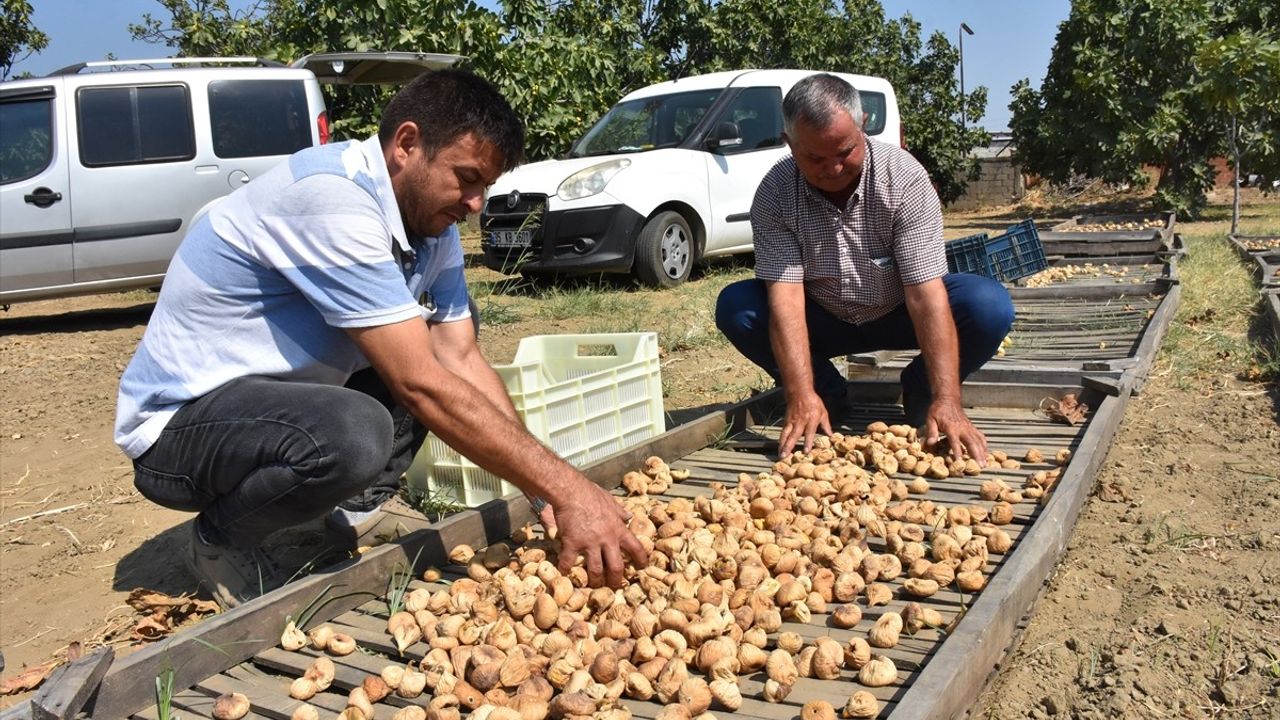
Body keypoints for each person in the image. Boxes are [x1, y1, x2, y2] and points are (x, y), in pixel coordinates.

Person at [114, 69, 645, 608]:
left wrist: (544, 492)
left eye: (485, 186)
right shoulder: (333, 198)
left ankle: (359, 506)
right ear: (407, 144)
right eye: (467, 178)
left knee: (442, 333)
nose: (477, 203)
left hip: (274, 401)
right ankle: (219, 539)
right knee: (356, 430)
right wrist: (569, 488)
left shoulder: (429, 224)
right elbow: (420, 385)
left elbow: (458, 356)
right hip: (179, 431)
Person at [715, 74, 1014, 459]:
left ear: (864, 127)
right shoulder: (775, 193)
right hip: (821, 318)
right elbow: (786, 301)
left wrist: (948, 398)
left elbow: (925, 294)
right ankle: (824, 395)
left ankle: (923, 392)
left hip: (898, 311)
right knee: (738, 306)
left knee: (988, 305)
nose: (833, 169)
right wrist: (801, 393)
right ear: (790, 145)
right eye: (815, 158)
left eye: (845, 152)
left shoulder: (903, 178)